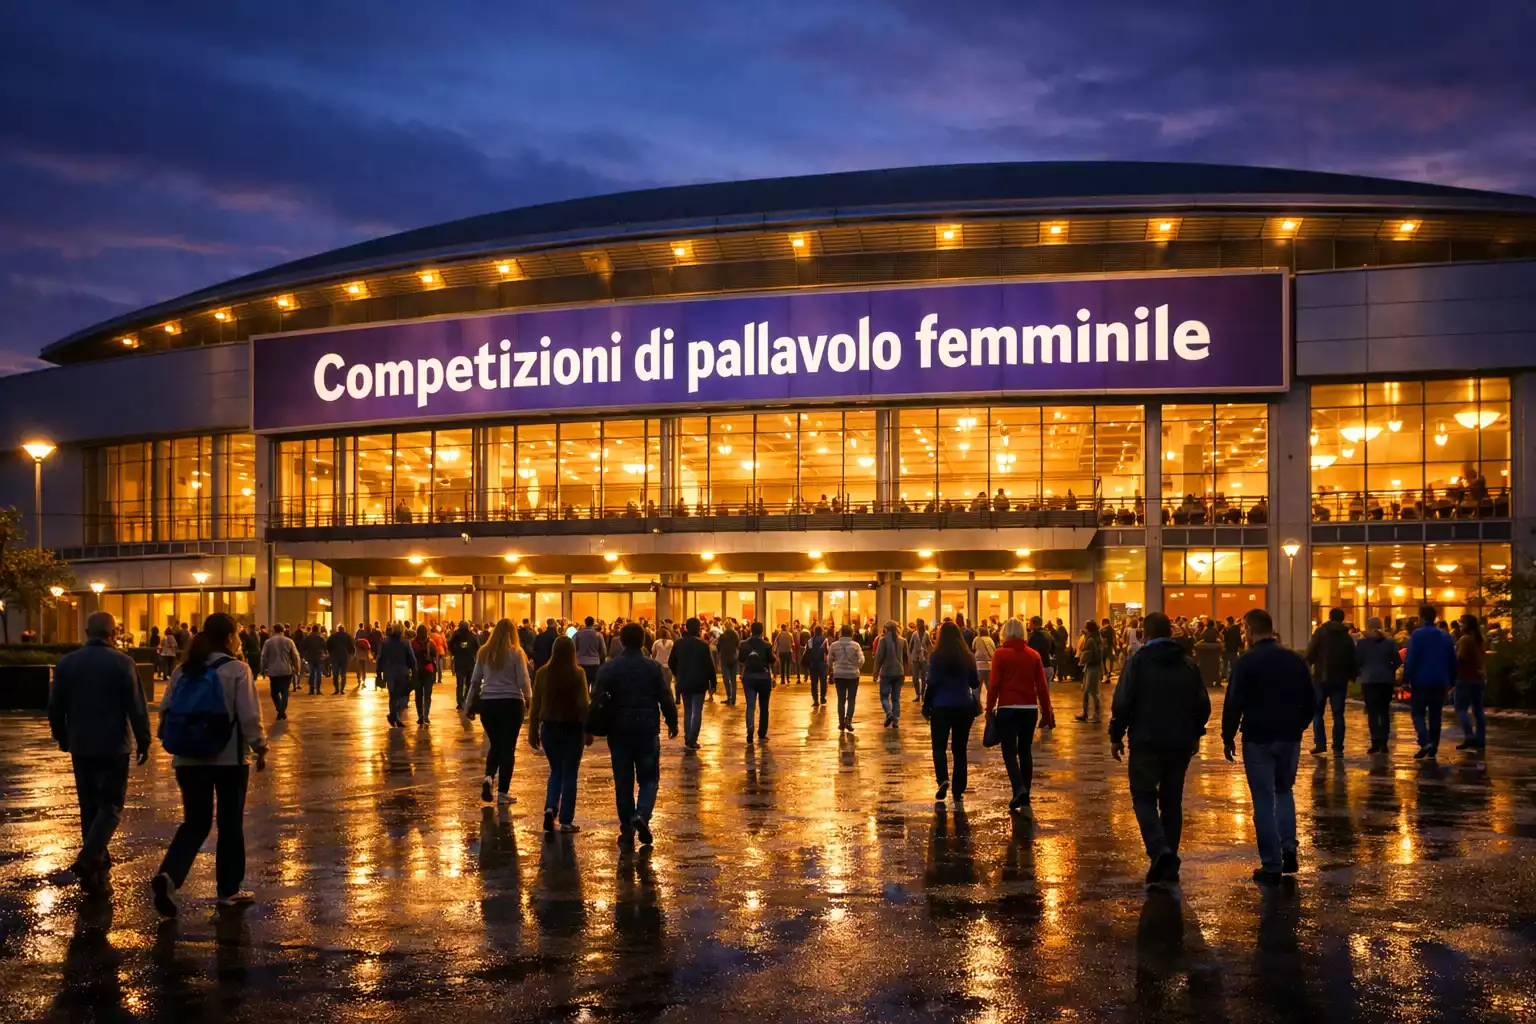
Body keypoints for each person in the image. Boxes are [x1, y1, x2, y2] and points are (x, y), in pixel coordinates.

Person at [150, 613, 269, 918]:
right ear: (230, 637)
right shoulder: (237, 669)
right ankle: (228, 891)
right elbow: (248, 716)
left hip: (188, 757)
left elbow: (165, 709)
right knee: (230, 822)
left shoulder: (182, 670)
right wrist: (260, 747)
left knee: (195, 822)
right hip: (229, 759)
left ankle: (170, 876)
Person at [48, 611, 152, 896]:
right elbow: (136, 705)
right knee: (111, 806)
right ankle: (88, 858)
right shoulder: (123, 663)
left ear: (86, 631)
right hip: (114, 744)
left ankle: (95, 872)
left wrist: (62, 735)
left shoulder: (67, 663)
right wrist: (144, 739)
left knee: (89, 807)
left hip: (81, 744)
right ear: (114, 632)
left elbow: (55, 705)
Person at [1108, 611, 1210, 887]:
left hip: (1146, 741)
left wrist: (1116, 735)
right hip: (1179, 743)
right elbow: (1202, 704)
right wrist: (1196, 732)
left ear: (1146, 634)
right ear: (1171, 632)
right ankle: (1169, 860)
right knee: (1171, 800)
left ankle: (1159, 850)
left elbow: (1122, 702)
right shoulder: (1187, 663)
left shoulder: (1138, 663)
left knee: (1143, 797)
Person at [1222, 608, 1315, 887]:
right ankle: (1288, 846)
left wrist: (1227, 736)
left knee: (1262, 800)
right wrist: (1300, 724)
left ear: (1250, 630)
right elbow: (1310, 699)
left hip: (1258, 736)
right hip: (1289, 736)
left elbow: (1234, 701)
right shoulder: (1294, 660)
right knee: (1284, 791)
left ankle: (1272, 864)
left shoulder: (1246, 662)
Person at [594, 622, 678, 848]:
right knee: (649, 778)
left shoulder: (610, 668)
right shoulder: (652, 668)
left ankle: (627, 828)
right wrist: (672, 721)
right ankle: (642, 814)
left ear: (621, 640)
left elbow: (597, 698)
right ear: (643, 641)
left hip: (619, 729)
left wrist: (592, 726)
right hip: (646, 727)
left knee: (623, 781)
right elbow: (665, 696)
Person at [986, 617, 1054, 814]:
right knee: (1025, 751)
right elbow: (1041, 687)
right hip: (1029, 708)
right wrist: (1047, 712)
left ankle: (1018, 788)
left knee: (1009, 750)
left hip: (1007, 708)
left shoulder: (1000, 654)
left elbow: (994, 685)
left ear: (1004, 633)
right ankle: (1025, 795)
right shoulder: (1033, 655)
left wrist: (989, 709)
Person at [463, 619, 532, 806]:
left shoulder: (484, 652)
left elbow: (475, 681)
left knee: (495, 744)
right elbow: (523, 681)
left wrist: (468, 705)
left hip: (489, 704)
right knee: (508, 748)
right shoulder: (517, 653)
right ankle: (503, 792)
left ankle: (488, 777)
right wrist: (529, 699)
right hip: (511, 704)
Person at [529, 633, 590, 831]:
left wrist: (532, 730)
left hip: (550, 728)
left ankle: (549, 807)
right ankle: (565, 819)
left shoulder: (542, 673)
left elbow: (535, 704)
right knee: (570, 773)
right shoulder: (577, 673)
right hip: (573, 728)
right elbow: (583, 705)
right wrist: (588, 730)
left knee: (555, 771)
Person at [922, 622, 980, 801]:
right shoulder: (967, 656)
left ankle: (942, 780)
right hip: (964, 706)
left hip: (941, 706)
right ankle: (958, 787)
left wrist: (926, 705)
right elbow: (974, 683)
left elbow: (931, 683)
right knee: (959, 748)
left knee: (939, 747)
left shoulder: (937, 656)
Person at [1404, 604, 1457, 759]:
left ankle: (1424, 741)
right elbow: (1452, 660)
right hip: (1440, 680)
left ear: (1421, 617)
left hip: (1421, 680)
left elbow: (1411, 659)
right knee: (1435, 715)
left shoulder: (1417, 635)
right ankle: (1433, 747)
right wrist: (1453, 679)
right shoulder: (1446, 636)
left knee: (1418, 713)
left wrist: (1405, 679)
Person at [1305, 608, 1357, 756]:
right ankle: (1338, 748)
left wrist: (1307, 667)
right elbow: (1352, 657)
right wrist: (1352, 676)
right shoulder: (1346, 636)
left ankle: (1320, 744)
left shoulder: (1321, 633)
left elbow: (1310, 653)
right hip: (1340, 679)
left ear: (1329, 617)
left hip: (1321, 677)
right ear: (1342, 619)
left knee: (1318, 713)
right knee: (1338, 714)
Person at [1355, 616, 1402, 754]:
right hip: (1386, 680)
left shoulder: (1362, 643)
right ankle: (1384, 742)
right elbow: (1398, 661)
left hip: (1369, 680)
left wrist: (1363, 670)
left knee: (1373, 712)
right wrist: (1389, 670)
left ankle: (1375, 741)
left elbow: (1357, 661)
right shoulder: (1390, 642)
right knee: (1384, 711)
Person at [670, 617, 717, 751]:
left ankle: (687, 736)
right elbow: (709, 666)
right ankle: (692, 739)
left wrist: (678, 672)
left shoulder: (678, 643)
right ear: (698, 628)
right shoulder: (703, 645)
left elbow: (671, 662)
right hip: (699, 682)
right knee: (697, 711)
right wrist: (712, 683)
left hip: (684, 681)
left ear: (686, 628)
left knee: (688, 710)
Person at [1454, 614, 1487, 751]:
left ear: (1467, 625)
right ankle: (1480, 738)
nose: (1460, 625)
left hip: (1465, 678)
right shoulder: (1479, 640)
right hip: (1478, 678)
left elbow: (1459, 658)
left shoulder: (1465, 640)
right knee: (1478, 710)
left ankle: (1469, 735)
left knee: (1460, 708)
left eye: (1462, 623)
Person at [742, 622, 777, 743]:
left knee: (750, 705)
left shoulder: (743, 644)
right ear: (762, 631)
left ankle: (750, 728)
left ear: (751, 630)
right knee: (764, 706)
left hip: (749, 677)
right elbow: (772, 660)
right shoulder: (767, 645)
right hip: (763, 678)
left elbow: (741, 659)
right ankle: (762, 732)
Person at [376, 626, 416, 727]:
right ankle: (395, 716)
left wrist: (379, 672)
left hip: (389, 672)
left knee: (392, 695)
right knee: (401, 696)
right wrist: (414, 670)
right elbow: (411, 658)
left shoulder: (385, 642)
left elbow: (380, 658)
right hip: (402, 673)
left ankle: (393, 715)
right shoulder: (405, 643)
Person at [259, 624, 300, 720]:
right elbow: (295, 656)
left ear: (274, 630)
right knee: (285, 691)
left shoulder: (268, 642)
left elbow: (263, 657)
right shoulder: (289, 641)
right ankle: (282, 710)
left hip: (273, 671)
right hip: (286, 670)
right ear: (283, 630)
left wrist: (263, 669)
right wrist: (297, 668)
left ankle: (279, 709)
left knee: (274, 692)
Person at [829, 624, 864, 732]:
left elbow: (829, 660)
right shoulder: (856, 645)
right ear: (851, 633)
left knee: (841, 699)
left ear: (840, 633)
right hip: (853, 675)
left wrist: (832, 669)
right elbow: (862, 660)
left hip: (839, 675)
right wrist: (857, 667)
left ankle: (841, 723)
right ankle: (848, 720)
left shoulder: (834, 645)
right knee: (851, 699)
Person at [874, 620, 907, 728]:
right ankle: (896, 720)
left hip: (886, 672)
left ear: (886, 629)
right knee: (896, 698)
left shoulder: (882, 640)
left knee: (884, 696)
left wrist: (875, 672)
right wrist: (905, 671)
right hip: (899, 672)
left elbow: (879, 657)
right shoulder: (903, 641)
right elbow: (907, 658)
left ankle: (888, 713)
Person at [1074, 620, 1104, 723]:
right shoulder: (1097, 638)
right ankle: (1089, 713)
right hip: (1094, 667)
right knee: (1089, 691)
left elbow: (1085, 650)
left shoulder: (1090, 639)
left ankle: (1093, 714)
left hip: (1091, 667)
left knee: (1091, 691)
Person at [449, 620, 481, 711]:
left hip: (459, 662)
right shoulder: (472, 635)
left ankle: (460, 702)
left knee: (459, 683)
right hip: (470, 662)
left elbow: (450, 644)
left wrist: (454, 652)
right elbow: (477, 646)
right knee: (468, 683)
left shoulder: (456, 635)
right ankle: (466, 699)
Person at [409, 625, 438, 725]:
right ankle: (426, 715)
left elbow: (410, 657)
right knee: (427, 694)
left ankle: (420, 715)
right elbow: (435, 653)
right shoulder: (430, 642)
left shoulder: (413, 643)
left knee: (418, 694)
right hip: (428, 669)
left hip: (417, 670)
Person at [326, 625, 355, 695]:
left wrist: (331, 653)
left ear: (338, 629)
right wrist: (351, 654)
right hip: (344, 656)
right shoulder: (347, 636)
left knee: (335, 673)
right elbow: (351, 646)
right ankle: (342, 689)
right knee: (343, 674)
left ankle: (336, 689)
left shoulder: (333, 636)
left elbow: (328, 645)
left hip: (335, 656)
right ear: (344, 629)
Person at [717, 620, 741, 705]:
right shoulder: (735, 635)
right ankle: (733, 698)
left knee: (726, 679)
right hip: (733, 658)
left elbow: (718, 648)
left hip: (724, 659)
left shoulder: (722, 636)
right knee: (733, 680)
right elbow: (738, 645)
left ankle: (729, 697)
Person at [805, 625, 829, 707]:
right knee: (823, 681)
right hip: (822, 663)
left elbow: (807, 651)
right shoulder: (824, 640)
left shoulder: (810, 640)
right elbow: (827, 651)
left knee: (814, 683)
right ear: (821, 631)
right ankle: (822, 697)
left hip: (813, 664)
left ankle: (815, 700)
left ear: (814, 632)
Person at [1027, 615, 1055, 686]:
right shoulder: (1048, 634)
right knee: (1045, 693)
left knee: (1036, 692)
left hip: (1039, 667)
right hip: (1049, 666)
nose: (1029, 625)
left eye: (1030, 623)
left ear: (1034, 623)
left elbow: (1030, 652)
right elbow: (1053, 648)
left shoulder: (1034, 635)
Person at [300, 624, 327, 695]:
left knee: (311, 673)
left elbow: (303, 647)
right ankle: (318, 689)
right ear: (318, 630)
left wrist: (304, 656)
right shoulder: (321, 638)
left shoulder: (308, 638)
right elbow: (325, 647)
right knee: (319, 674)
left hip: (310, 657)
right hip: (319, 657)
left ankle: (311, 689)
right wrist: (325, 655)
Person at [973, 625, 995, 690]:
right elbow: (994, 649)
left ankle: (977, 700)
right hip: (989, 665)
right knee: (989, 686)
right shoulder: (990, 639)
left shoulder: (976, 639)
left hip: (978, 665)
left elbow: (973, 649)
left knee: (977, 688)